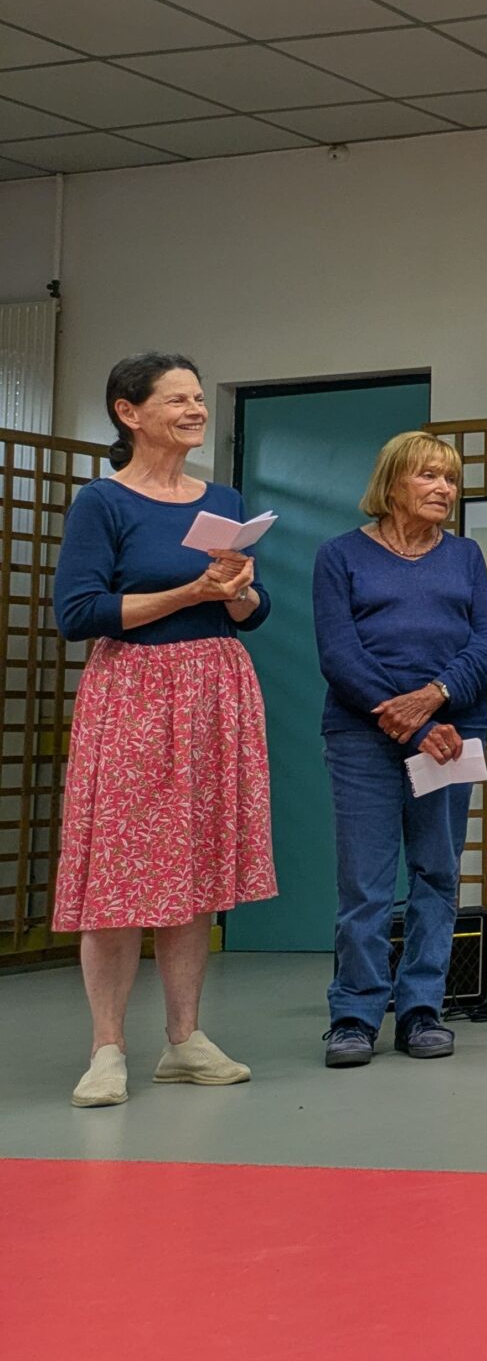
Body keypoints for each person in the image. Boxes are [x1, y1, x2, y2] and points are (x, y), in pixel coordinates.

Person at [51, 352, 273, 1108]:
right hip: (135, 690)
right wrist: (190, 590)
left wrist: (238, 593)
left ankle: (185, 1039)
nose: (196, 410)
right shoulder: (102, 502)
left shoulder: (224, 499)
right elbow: (78, 613)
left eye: (199, 398)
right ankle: (107, 1047)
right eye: (177, 399)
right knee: (118, 870)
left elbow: (250, 609)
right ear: (129, 411)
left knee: (196, 866)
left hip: (216, 685)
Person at [311, 432, 487, 1067]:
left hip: (455, 730)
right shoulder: (339, 555)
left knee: (437, 874)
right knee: (365, 885)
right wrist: (417, 725)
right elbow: (340, 656)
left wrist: (436, 695)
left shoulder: (466, 556)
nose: (444, 488)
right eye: (429, 476)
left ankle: (423, 1010)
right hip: (363, 736)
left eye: (450, 478)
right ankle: (354, 1016)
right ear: (392, 483)